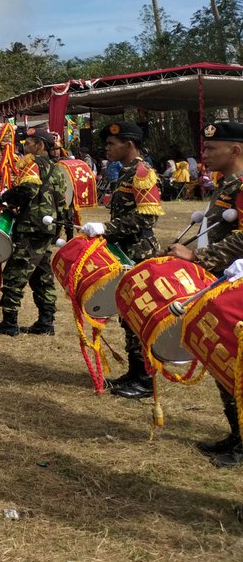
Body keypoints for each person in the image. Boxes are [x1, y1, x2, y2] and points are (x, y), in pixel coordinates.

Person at [166, 121, 243, 467]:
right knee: (223, 360)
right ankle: (237, 434)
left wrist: (199, 257)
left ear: (235, 150)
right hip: (221, 286)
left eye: (212, 148)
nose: (205, 154)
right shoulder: (227, 185)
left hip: (237, 288)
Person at [80, 121, 163, 399]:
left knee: (138, 315)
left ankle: (145, 379)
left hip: (139, 253)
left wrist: (107, 228)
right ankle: (135, 372)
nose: (107, 148)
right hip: (125, 251)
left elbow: (147, 216)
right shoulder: (126, 172)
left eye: (111, 144)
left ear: (128, 145)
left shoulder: (142, 172)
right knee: (127, 315)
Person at [0, 127, 69, 337]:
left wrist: (3, 198)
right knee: (42, 277)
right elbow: (62, 203)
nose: (25, 146)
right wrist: (58, 231)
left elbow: (27, 190)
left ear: (39, 145)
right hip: (47, 228)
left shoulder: (32, 164)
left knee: (15, 273)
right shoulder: (57, 169)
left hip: (31, 228)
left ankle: (9, 323)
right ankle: (46, 322)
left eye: (29, 143)